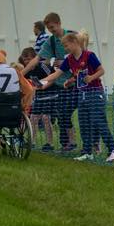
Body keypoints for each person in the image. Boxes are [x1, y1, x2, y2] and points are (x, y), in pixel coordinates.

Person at [40, 30, 114, 163]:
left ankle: (113, 150)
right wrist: (42, 82)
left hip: (95, 93)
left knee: (99, 122)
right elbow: (57, 74)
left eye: (66, 45)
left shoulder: (89, 55)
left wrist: (91, 77)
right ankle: (87, 152)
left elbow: (102, 71)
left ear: (74, 42)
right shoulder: (69, 59)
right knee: (84, 124)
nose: (65, 49)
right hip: (81, 95)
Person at [23, 12, 77, 151]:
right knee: (61, 114)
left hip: (75, 81)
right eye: (48, 28)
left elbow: (82, 55)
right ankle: (67, 144)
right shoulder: (51, 41)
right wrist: (21, 74)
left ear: (59, 23)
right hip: (59, 82)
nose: (51, 30)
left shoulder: (72, 36)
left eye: (52, 27)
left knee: (68, 113)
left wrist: (64, 61)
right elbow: (37, 59)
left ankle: (75, 142)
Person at [19, 47, 55, 150]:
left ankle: (50, 143)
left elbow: (53, 78)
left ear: (35, 58)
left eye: (29, 59)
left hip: (50, 94)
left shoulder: (43, 66)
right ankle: (32, 141)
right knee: (33, 118)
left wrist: (44, 86)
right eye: (25, 60)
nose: (27, 62)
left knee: (46, 118)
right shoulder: (26, 71)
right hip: (39, 96)